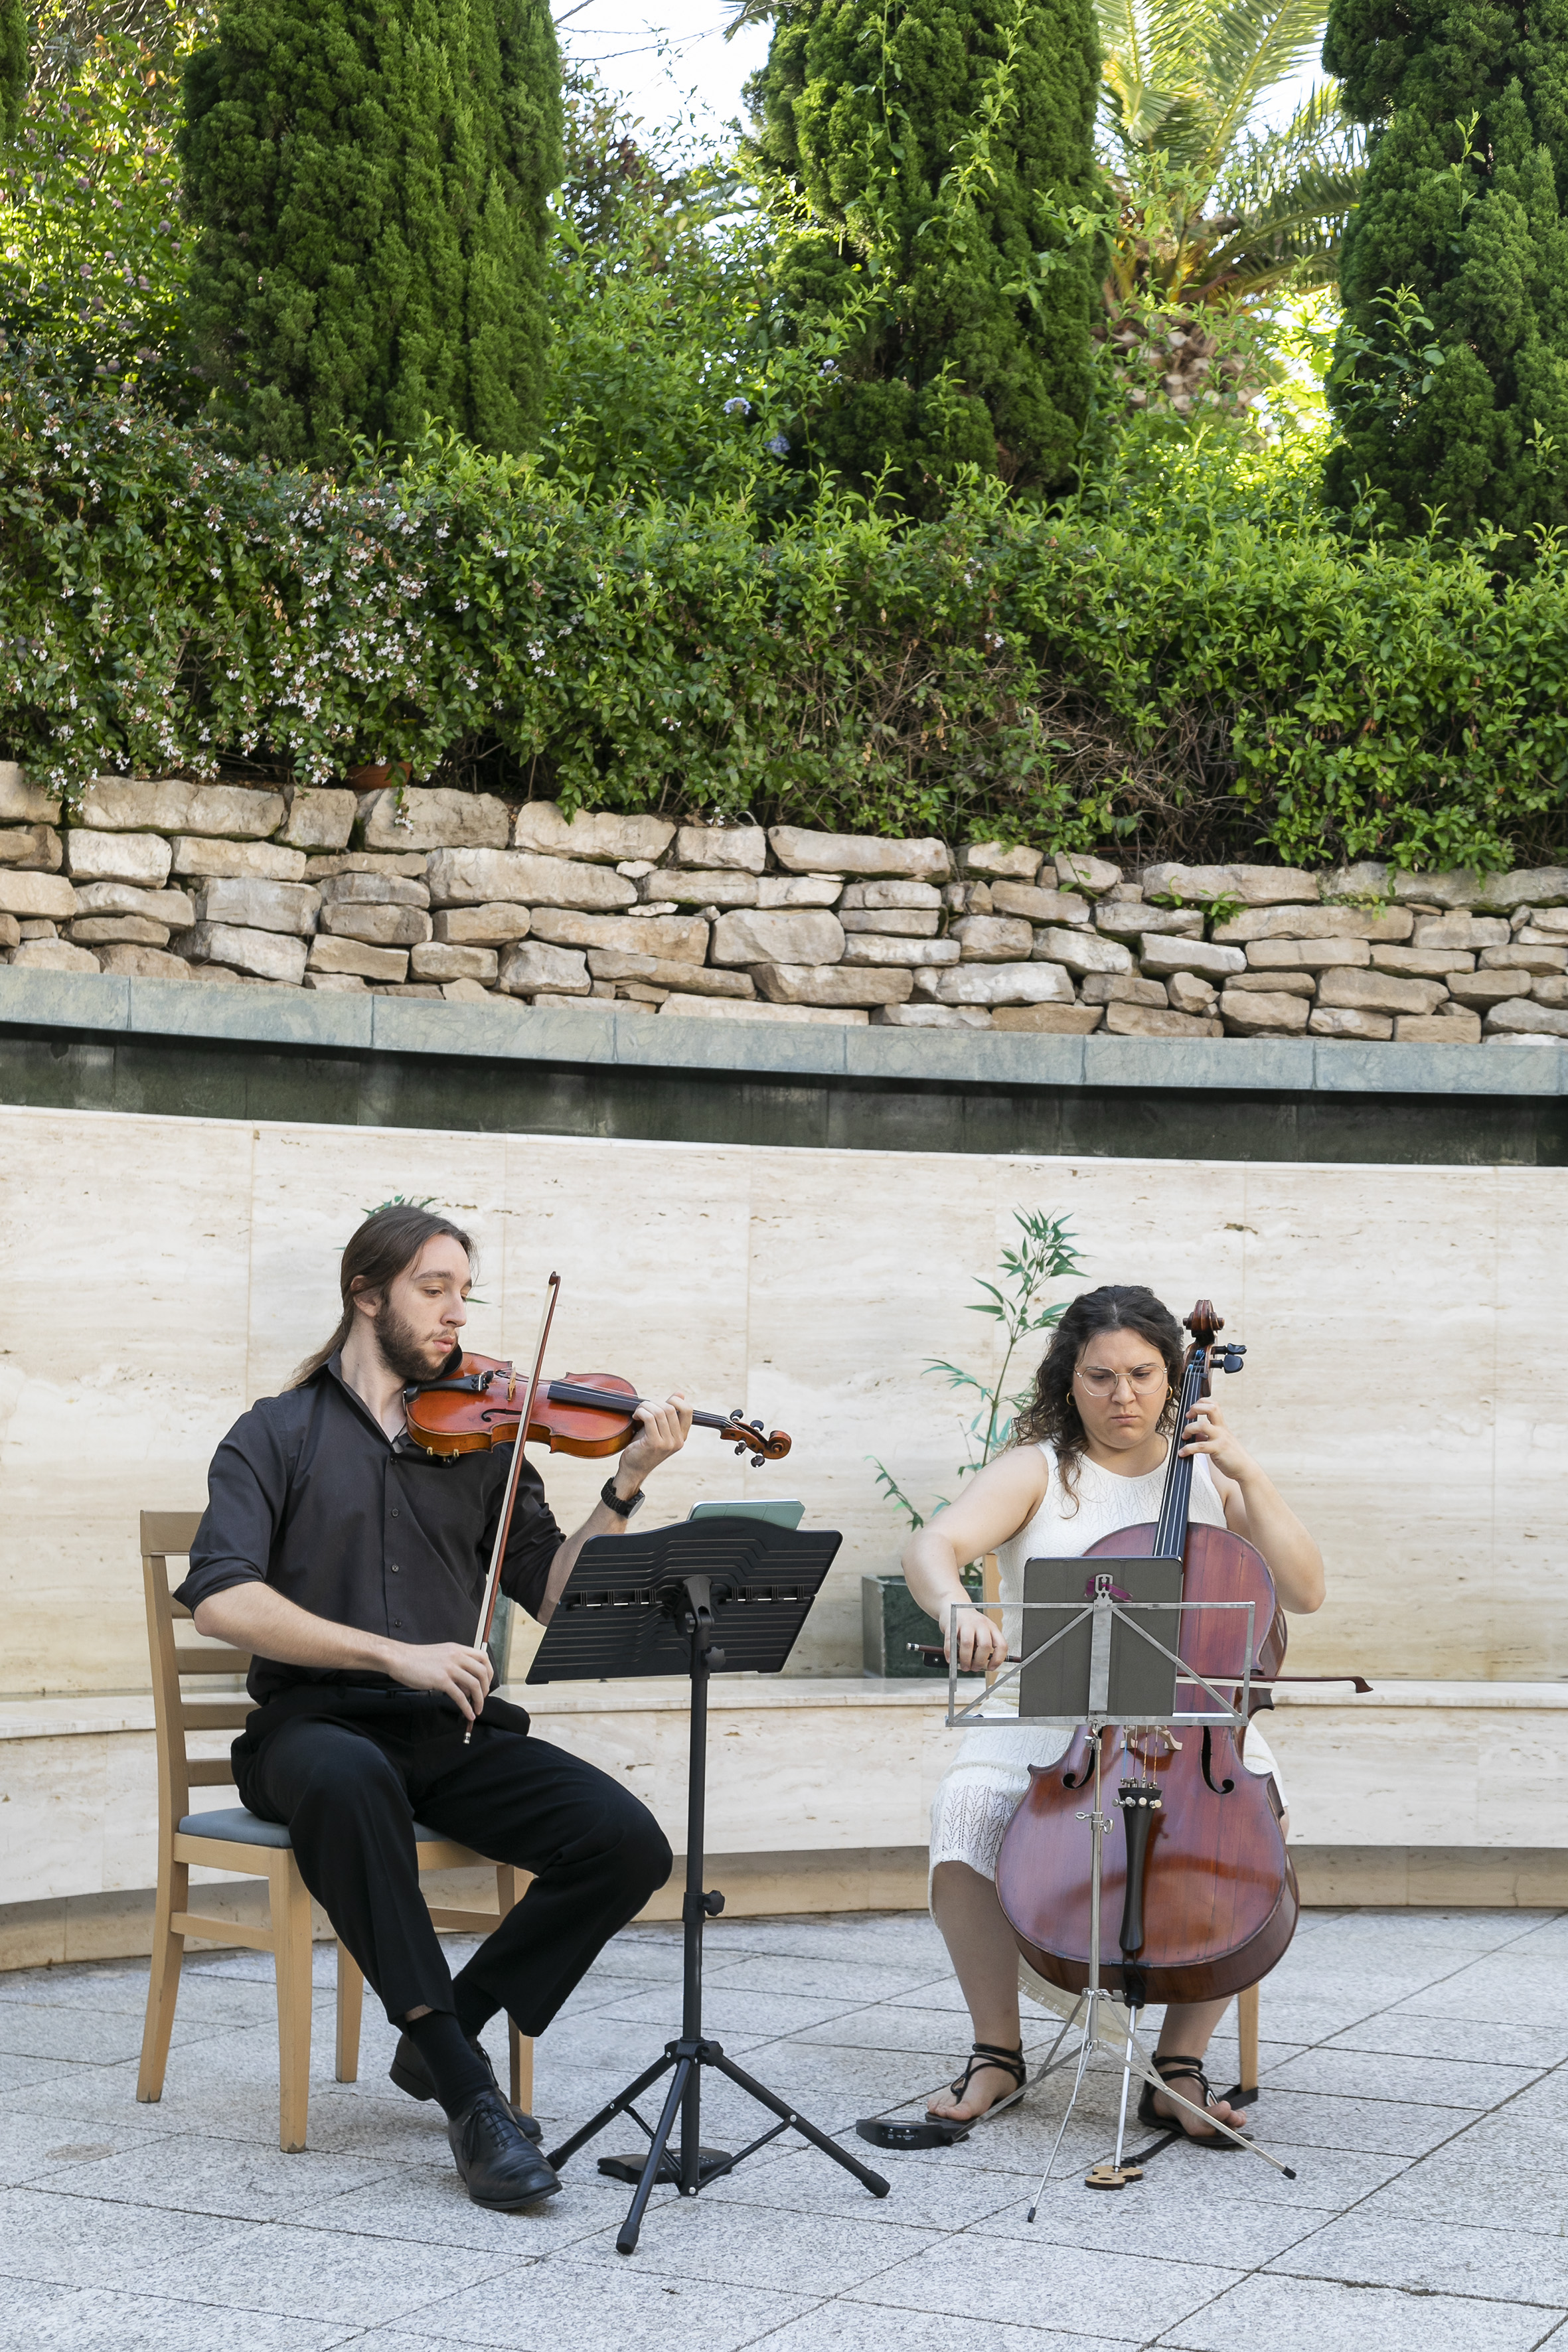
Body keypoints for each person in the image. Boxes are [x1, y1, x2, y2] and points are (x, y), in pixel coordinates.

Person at [177, 1204, 691, 2211]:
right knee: (349, 1776)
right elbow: (220, 1598)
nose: (458, 1314)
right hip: (313, 1730)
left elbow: (555, 1594)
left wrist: (625, 1485)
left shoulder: (488, 1439)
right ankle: (469, 2095)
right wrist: (390, 1654)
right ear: (365, 1295)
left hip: (450, 1734)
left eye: (465, 1291)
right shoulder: (275, 1434)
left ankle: (439, 2026)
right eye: (433, 1289)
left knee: (625, 1843)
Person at [903, 1284, 1324, 2144]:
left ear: (1175, 1376)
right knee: (965, 1812)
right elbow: (932, 1545)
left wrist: (1246, 1474)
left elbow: (1306, 1592)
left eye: (1140, 1374)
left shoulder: (1208, 1473)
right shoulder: (1040, 1469)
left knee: (1249, 1826)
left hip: (1194, 1720)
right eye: (1098, 1377)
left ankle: (1177, 2068)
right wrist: (954, 1607)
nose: (1121, 1396)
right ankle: (996, 2053)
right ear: (1070, 1380)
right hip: (1051, 1708)